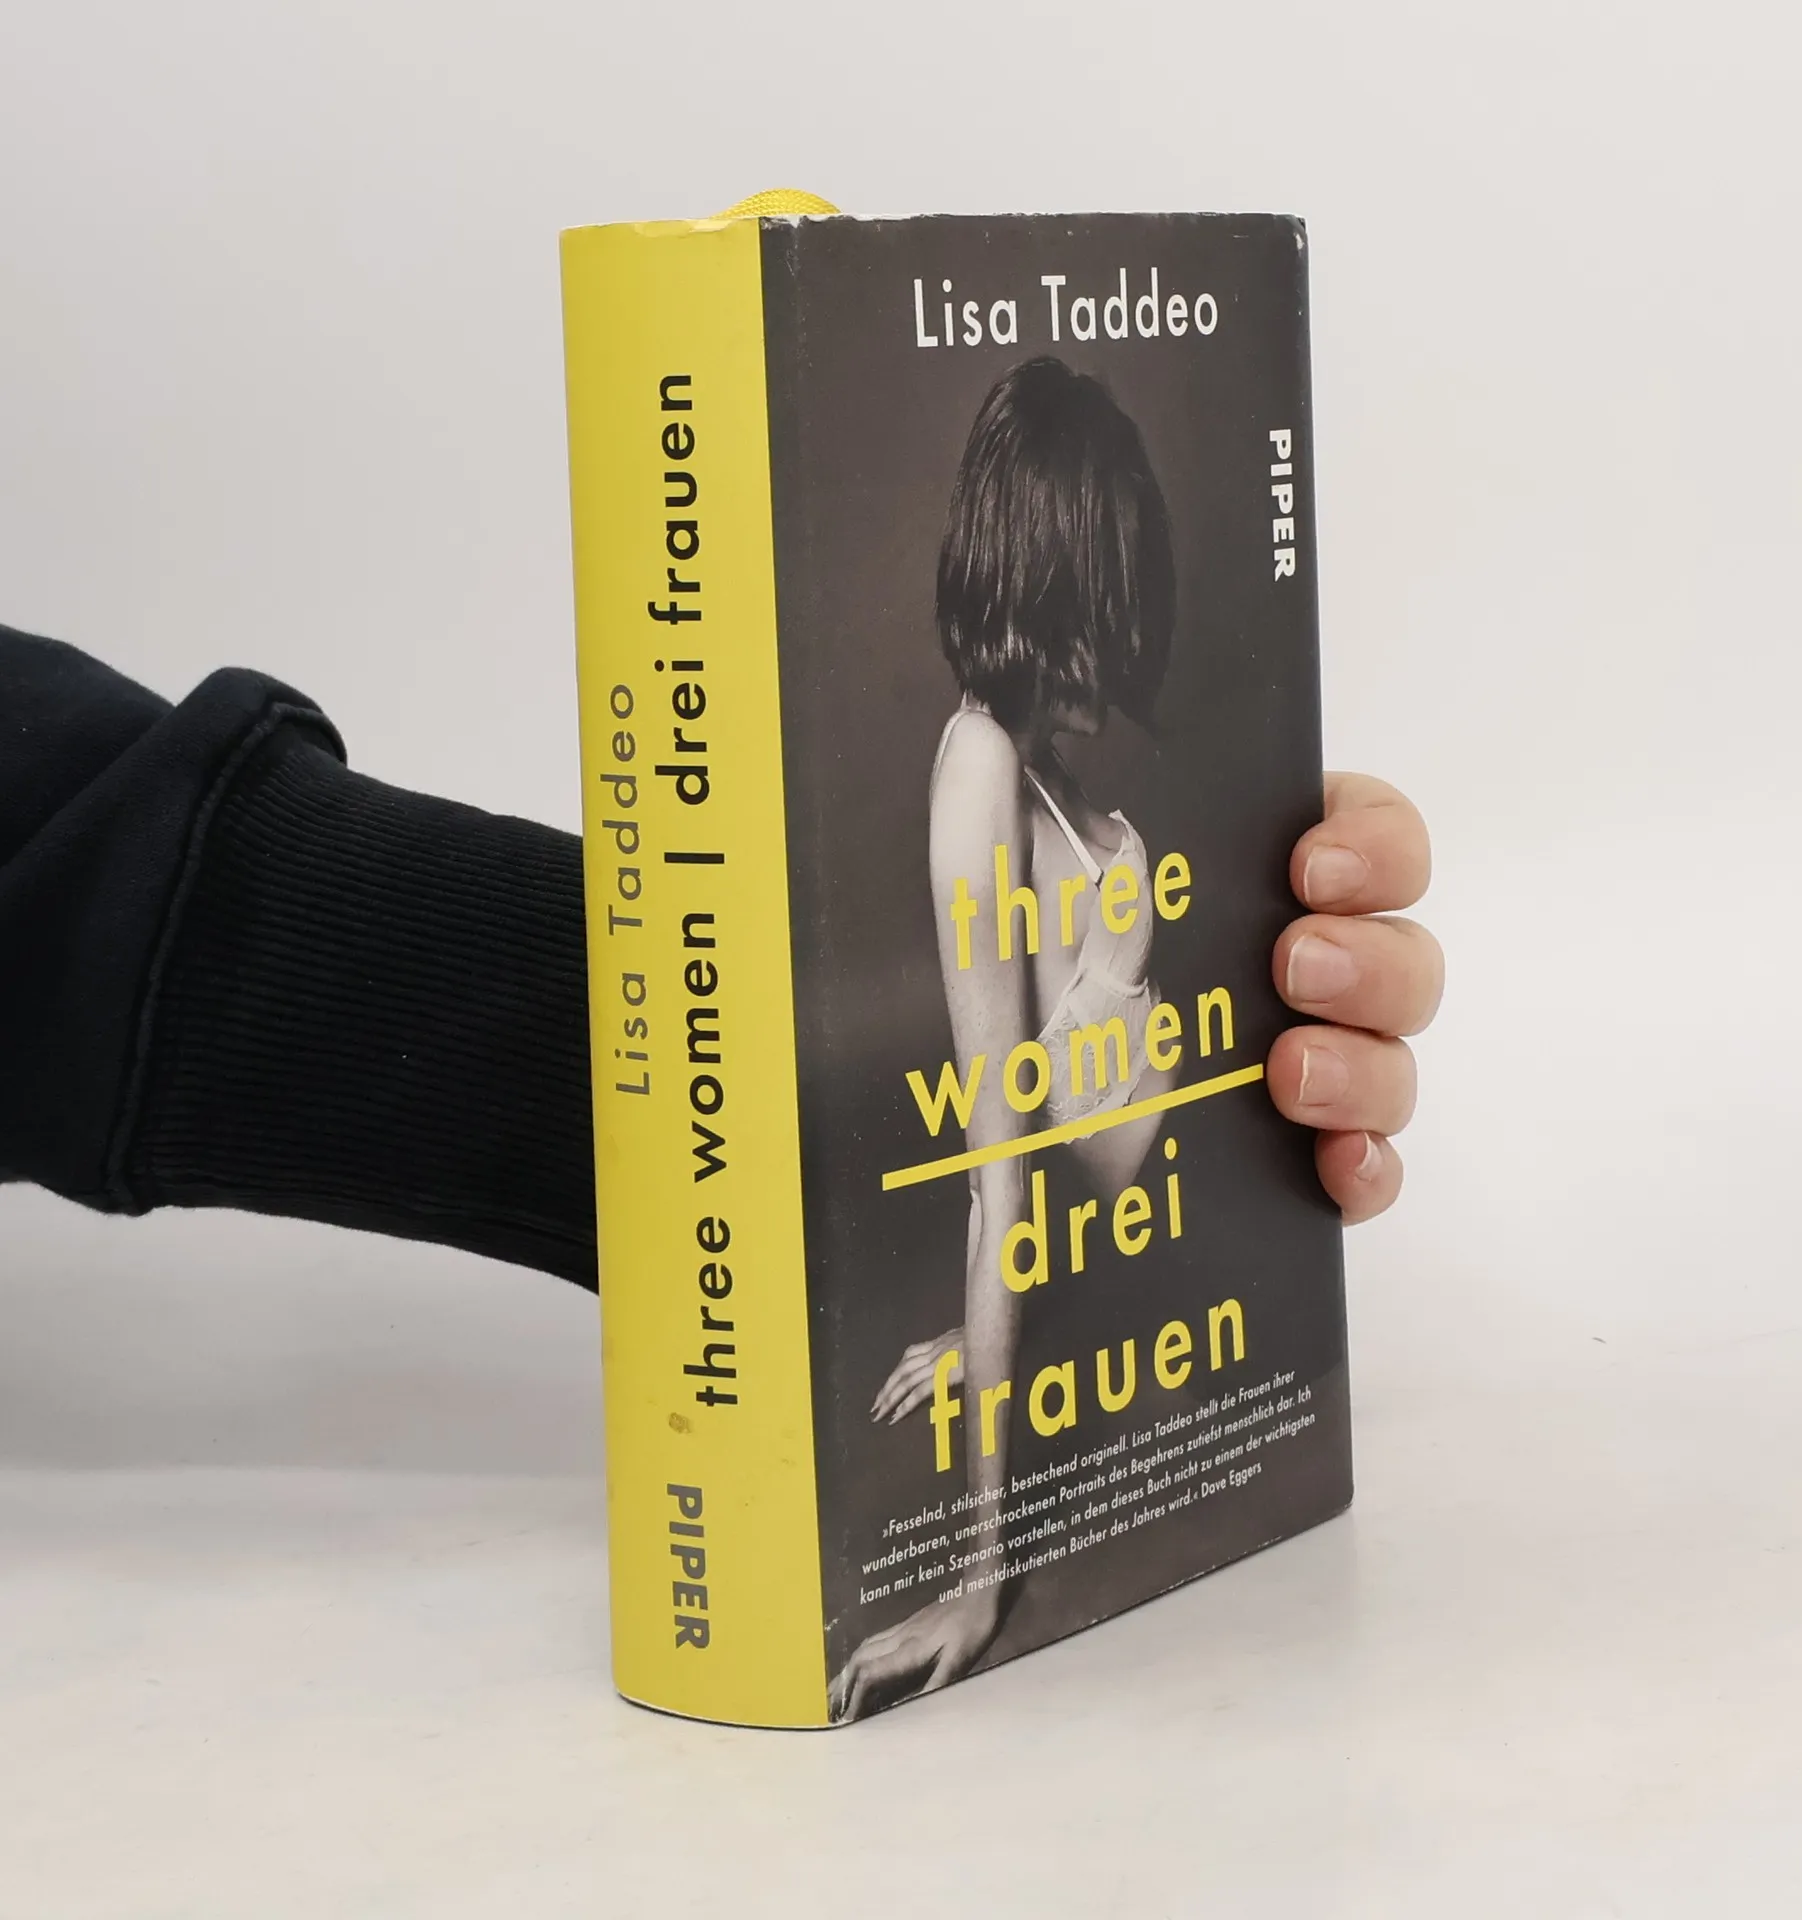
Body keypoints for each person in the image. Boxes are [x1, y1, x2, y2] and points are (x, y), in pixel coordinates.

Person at [0, 615, 1438, 1378]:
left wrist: (1184, 975)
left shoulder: (1073, 810)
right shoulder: (985, 759)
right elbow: (114, 901)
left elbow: (108, 890)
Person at [831, 361, 1442, 1716]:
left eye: (1126, 616)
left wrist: (987, 1337)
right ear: (1037, 584)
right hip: (1168, 1286)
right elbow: (1001, 1169)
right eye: (1094, 615)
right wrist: (978, 1580)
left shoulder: (1047, 772)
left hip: (1179, 1268)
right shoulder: (980, 766)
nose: (1115, 659)